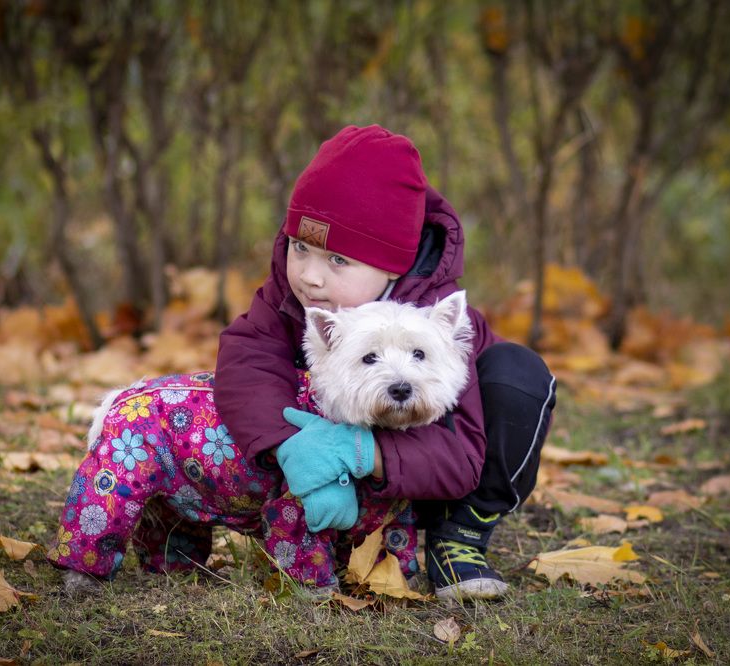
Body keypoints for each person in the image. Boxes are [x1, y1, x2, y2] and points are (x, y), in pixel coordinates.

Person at [215, 124, 557, 600]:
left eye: (337, 260)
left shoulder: (436, 321)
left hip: (441, 463)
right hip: (343, 470)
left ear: (393, 267)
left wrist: (358, 452)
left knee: (520, 376)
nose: (310, 277)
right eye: (300, 247)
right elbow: (246, 365)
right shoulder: (288, 296)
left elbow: (460, 458)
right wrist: (290, 442)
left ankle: (461, 534)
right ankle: (337, 524)